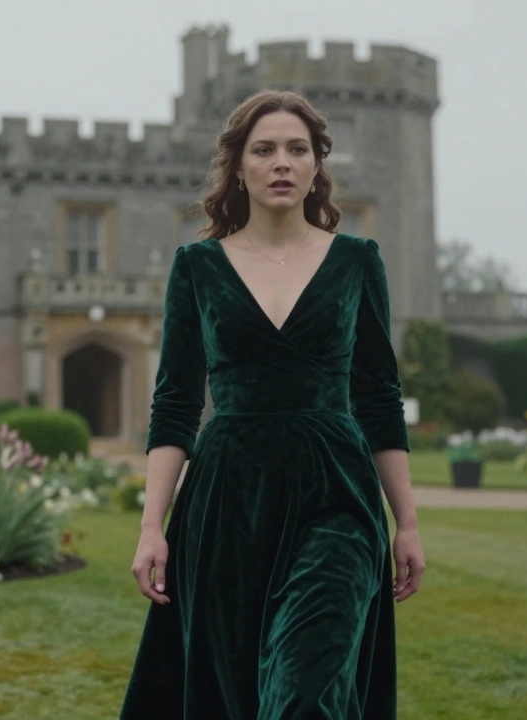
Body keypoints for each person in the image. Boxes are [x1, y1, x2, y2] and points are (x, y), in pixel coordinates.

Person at [120, 89, 425, 719]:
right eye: (265, 149)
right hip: (228, 500)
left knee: (306, 691)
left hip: (336, 494)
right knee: (232, 693)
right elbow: (175, 401)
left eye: (297, 149)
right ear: (239, 167)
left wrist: (409, 523)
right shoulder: (197, 267)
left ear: (317, 166)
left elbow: (378, 396)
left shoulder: (357, 262)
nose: (282, 161)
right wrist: (153, 526)